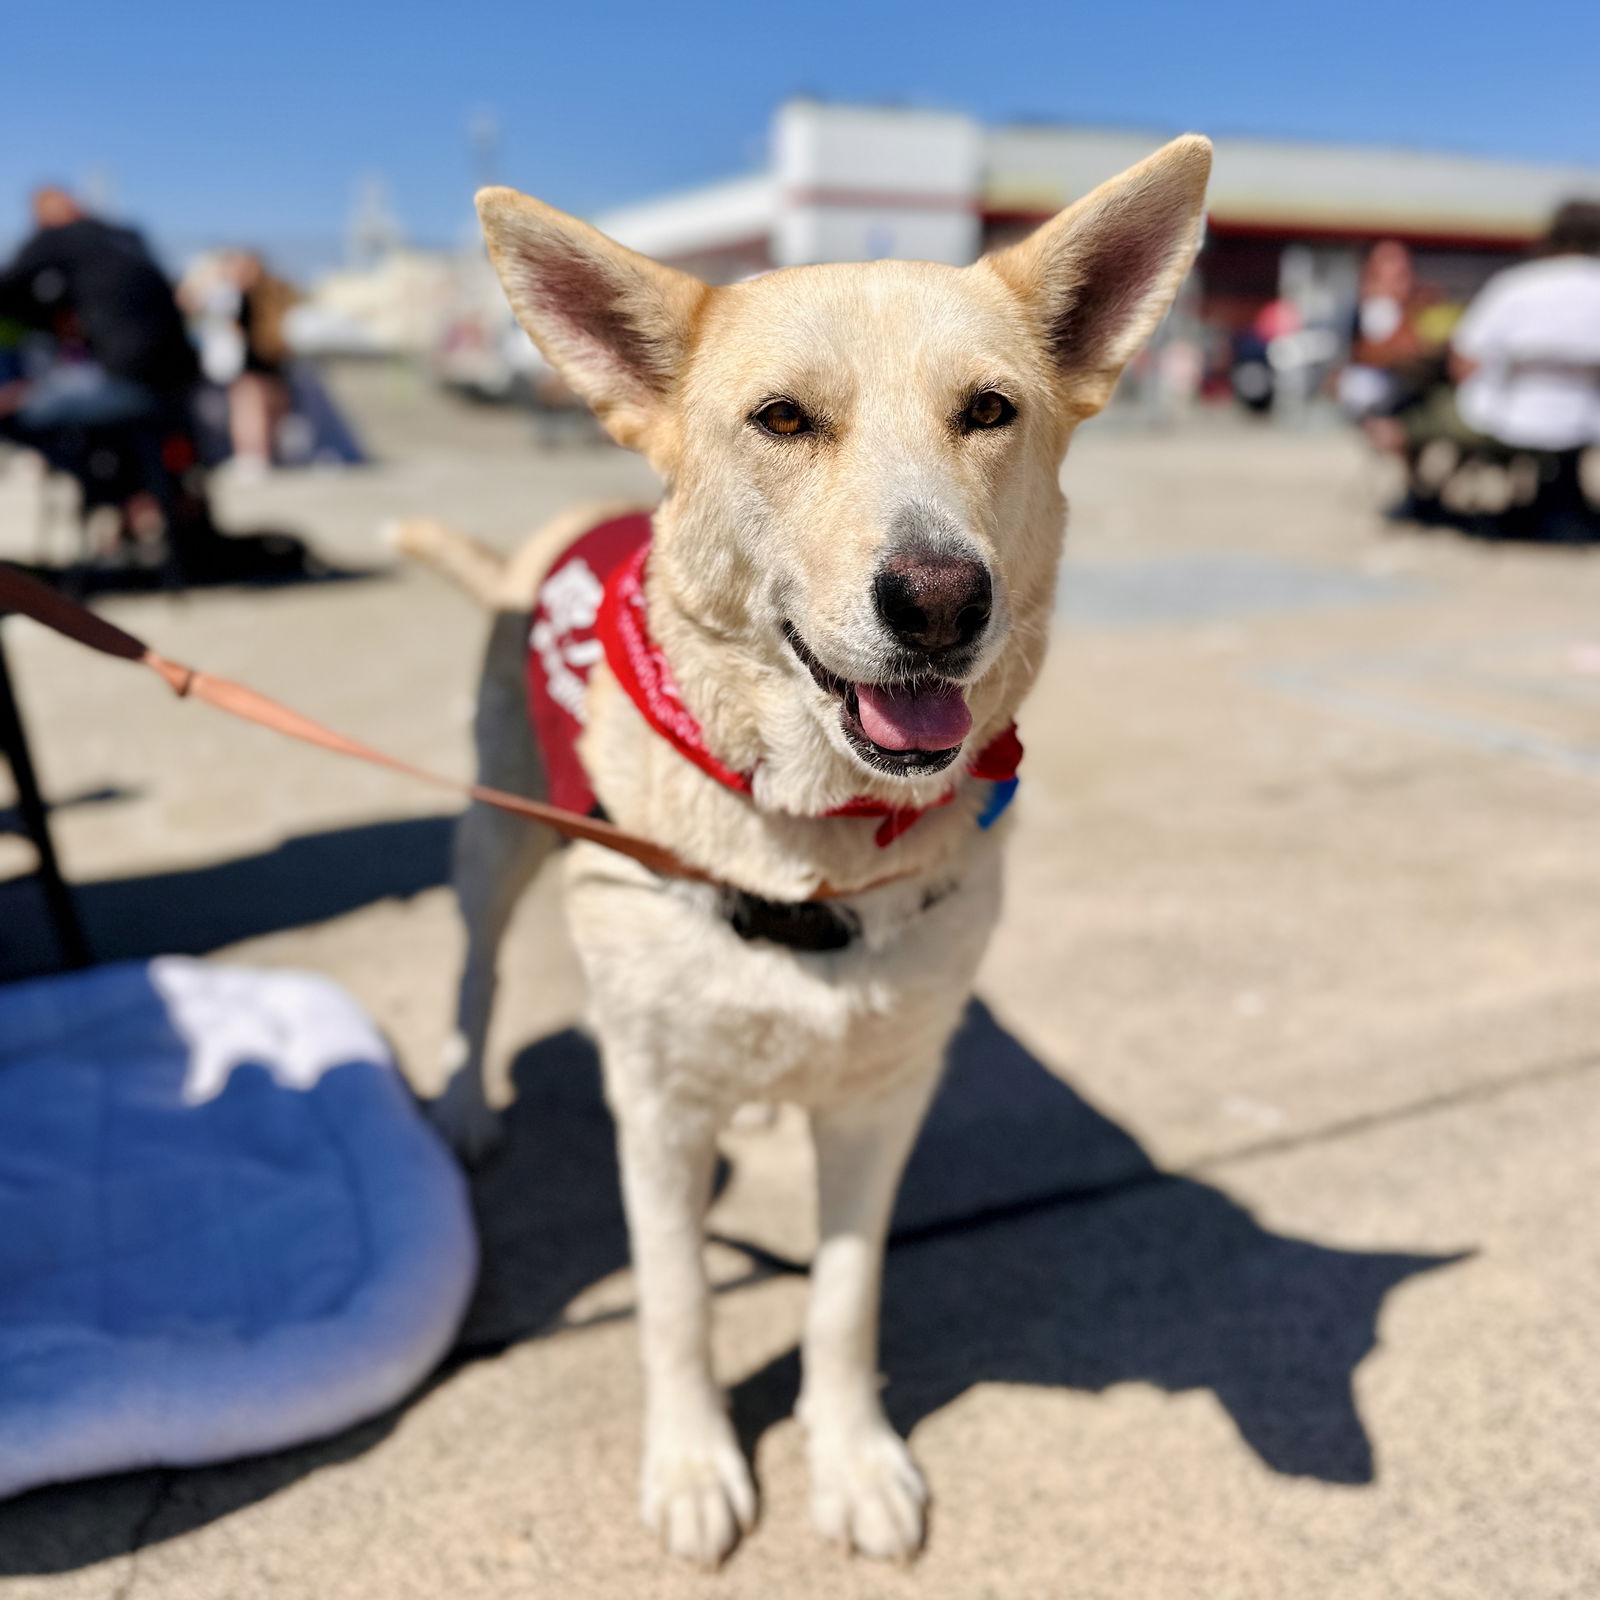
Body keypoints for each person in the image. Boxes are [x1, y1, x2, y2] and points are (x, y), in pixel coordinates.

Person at [0, 186, 200, 551]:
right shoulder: (126, 236)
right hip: (177, 386)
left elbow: (7, 288)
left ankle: (116, 496)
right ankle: (136, 493)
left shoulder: (58, 235)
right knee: (94, 426)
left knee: (9, 410)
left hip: (125, 382)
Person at [1450, 200, 1600, 541]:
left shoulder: (1517, 284)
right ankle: (1561, 509)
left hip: (1512, 415)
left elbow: (1464, 357)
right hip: (1590, 416)